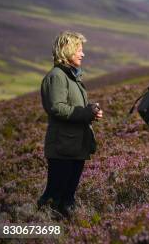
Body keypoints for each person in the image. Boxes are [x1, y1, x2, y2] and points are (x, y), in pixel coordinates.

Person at [38, 31, 102, 218]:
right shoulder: (57, 76)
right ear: (67, 51)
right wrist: (85, 112)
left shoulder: (71, 76)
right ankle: (37, 228)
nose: (83, 54)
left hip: (74, 145)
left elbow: (73, 108)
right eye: (79, 50)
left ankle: (61, 231)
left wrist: (91, 112)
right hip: (62, 147)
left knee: (67, 197)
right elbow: (56, 108)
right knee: (53, 196)